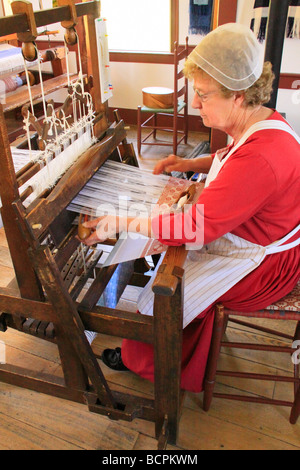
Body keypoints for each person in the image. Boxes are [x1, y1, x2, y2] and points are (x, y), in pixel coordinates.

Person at [83, 23, 300, 392]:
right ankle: (164, 353)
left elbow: (195, 228)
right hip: (261, 244)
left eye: (202, 94)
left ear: (238, 94)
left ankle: (157, 365)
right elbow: (230, 156)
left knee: (166, 291)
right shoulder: (263, 122)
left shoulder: (264, 157)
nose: (195, 104)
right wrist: (187, 164)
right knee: (170, 261)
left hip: (262, 266)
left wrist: (120, 222)